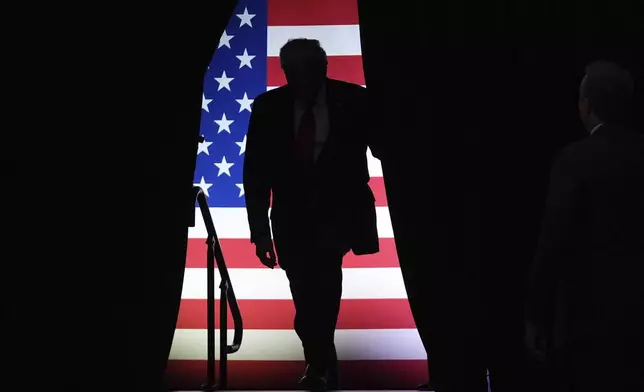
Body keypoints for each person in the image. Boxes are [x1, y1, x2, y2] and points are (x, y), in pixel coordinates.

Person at [243, 38, 382, 391]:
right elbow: (255, 173)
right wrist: (260, 231)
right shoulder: (269, 107)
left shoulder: (354, 101)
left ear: (324, 68)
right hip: (291, 219)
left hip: (337, 216)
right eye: (295, 71)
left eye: (310, 70)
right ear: (285, 72)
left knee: (324, 283)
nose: (303, 78)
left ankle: (318, 365)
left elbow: (384, 146)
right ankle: (322, 360)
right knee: (305, 293)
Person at [526, 60, 644, 391]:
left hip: (588, 321)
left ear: (587, 105)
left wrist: (535, 315)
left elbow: (553, 242)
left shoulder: (574, 160)